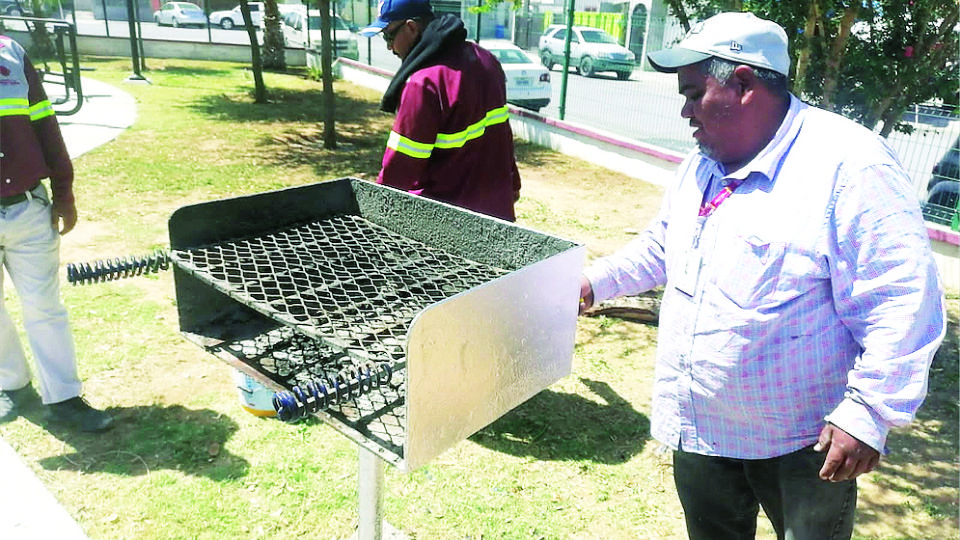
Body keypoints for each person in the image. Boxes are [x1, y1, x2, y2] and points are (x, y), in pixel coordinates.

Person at [577, 12, 946, 540]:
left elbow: (901, 300)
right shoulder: (704, 162)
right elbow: (664, 244)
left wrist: (868, 413)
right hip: (700, 424)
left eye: (692, 93)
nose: (683, 111)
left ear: (744, 85)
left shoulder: (850, 166)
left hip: (802, 442)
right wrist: (594, 282)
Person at [0, 35, 113, 432]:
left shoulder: (10, 53)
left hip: (27, 207)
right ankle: (12, 386)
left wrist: (63, 193)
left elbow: (45, 123)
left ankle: (64, 398)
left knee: (44, 308)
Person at [360, 0, 522, 222]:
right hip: (497, 218)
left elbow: (399, 170)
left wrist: (375, 213)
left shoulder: (423, 83)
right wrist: (513, 184)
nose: (389, 47)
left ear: (411, 27)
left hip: (449, 230)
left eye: (389, 36)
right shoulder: (485, 59)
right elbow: (502, 135)